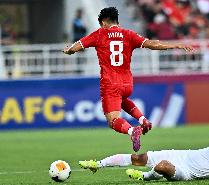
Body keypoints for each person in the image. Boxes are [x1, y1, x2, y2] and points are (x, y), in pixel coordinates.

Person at [63, 7, 194, 152]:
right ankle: (143, 120)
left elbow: (77, 46)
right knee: (122, 99)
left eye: (101, 23)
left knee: (113, 121)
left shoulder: (99, 34)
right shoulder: (128, 34)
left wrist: (68, 50)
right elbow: (153, 44)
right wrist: (176, 45)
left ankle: (132, 131)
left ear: (104, 22)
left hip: (110, 83)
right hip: (127, 84)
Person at [78, 127, 209, 181]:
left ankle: (144, 177)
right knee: (139, 158)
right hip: (182, 155)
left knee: (162, 166)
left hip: (187, 172)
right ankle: (98, 164)